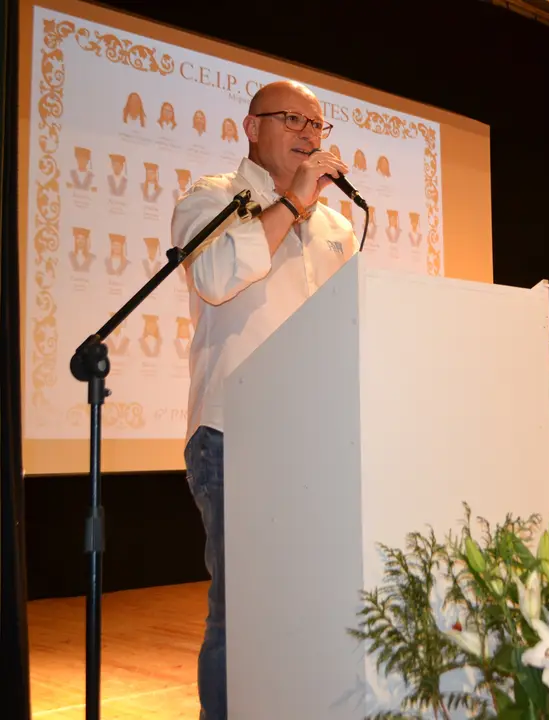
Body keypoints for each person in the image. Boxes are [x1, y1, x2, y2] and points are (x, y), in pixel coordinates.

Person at [170, 79, 359, 719]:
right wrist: (293, 203)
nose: (310, 133)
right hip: (232, 436)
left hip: (317, 440)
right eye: (293, 120)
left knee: (316, 600)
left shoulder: (339, 228)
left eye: (318, 125)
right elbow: (217, 277)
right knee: (243, 610)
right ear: (251, 129)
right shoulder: (212, 198)